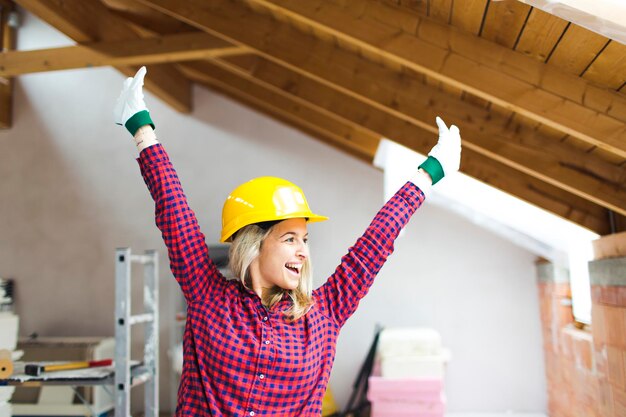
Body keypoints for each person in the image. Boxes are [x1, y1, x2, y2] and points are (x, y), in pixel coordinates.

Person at [114, 67, 461, 417]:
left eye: (306, 239)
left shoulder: (324, 314)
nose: (303, 251)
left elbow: (375, 244)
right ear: (255, 243)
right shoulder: (208, 297)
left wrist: (428, 174)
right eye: (290, 238)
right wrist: (141, 127)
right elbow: (174, 211)